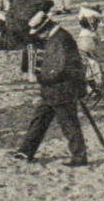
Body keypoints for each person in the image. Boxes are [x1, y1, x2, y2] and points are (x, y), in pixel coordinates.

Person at [13, 11, 89, 167]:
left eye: (40, 32)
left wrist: (42, 78)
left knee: (69, 124)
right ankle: (26, 151)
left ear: (46, 28)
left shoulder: (61, 40)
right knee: (39, 119)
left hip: (62, 89)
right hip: (52, 89)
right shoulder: (57, 37)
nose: (40, 36)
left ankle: (79, 157)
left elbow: (60, 68)